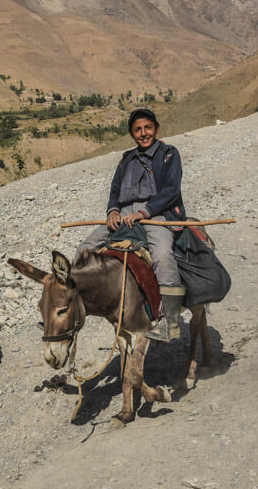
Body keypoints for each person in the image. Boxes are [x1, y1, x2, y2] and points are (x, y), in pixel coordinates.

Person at [76, 107, 187, 341]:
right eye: (138, 130)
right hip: (125, 214)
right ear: (131, 134)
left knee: (163, 254)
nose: (143, 133)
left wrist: (144, 211)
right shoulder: (126, 160)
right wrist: (113, 211)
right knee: (84, 250)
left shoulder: (169, 154)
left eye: (148, 128)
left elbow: (171, 190)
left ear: (156, 128)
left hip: (156, 213)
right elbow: (115, 190)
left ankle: (171, 320)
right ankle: (76, 307)